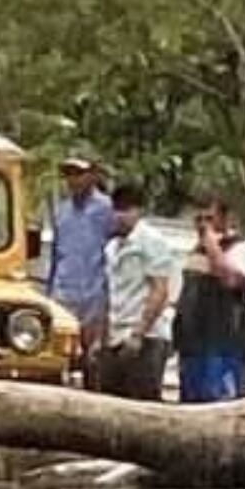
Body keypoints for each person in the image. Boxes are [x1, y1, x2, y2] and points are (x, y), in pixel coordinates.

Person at [173, 197, 245, 405]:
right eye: (199, 219)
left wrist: (212, 245)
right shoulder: (195, 252)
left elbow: (230, 279)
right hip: (192, 346)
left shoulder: (241, 248)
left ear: (225, 218)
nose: (203, 225)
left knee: (218, 402)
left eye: (209, 219)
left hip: (222, 346)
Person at [95, 186, 179, 401]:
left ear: (139, 211)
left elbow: (159, 289)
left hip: (145, 338)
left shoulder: (150, 241)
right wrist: (100, 337)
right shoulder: (112, 247)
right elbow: (109, 294)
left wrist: (138, 333)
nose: (120, 215)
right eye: (116, 209)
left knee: (142, 401)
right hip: (115, 336)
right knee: (110, 400)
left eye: (126, 209)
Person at [43, 153, 114, 380]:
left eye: (79, 173)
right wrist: (48, 291)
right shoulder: (61, 211)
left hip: (94, 295)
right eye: (69, 174)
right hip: (63, 292)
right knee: (57, 357)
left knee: (93, 360)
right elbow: (56, 253)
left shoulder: (106, 209)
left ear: (92, 176)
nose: (73, 179)